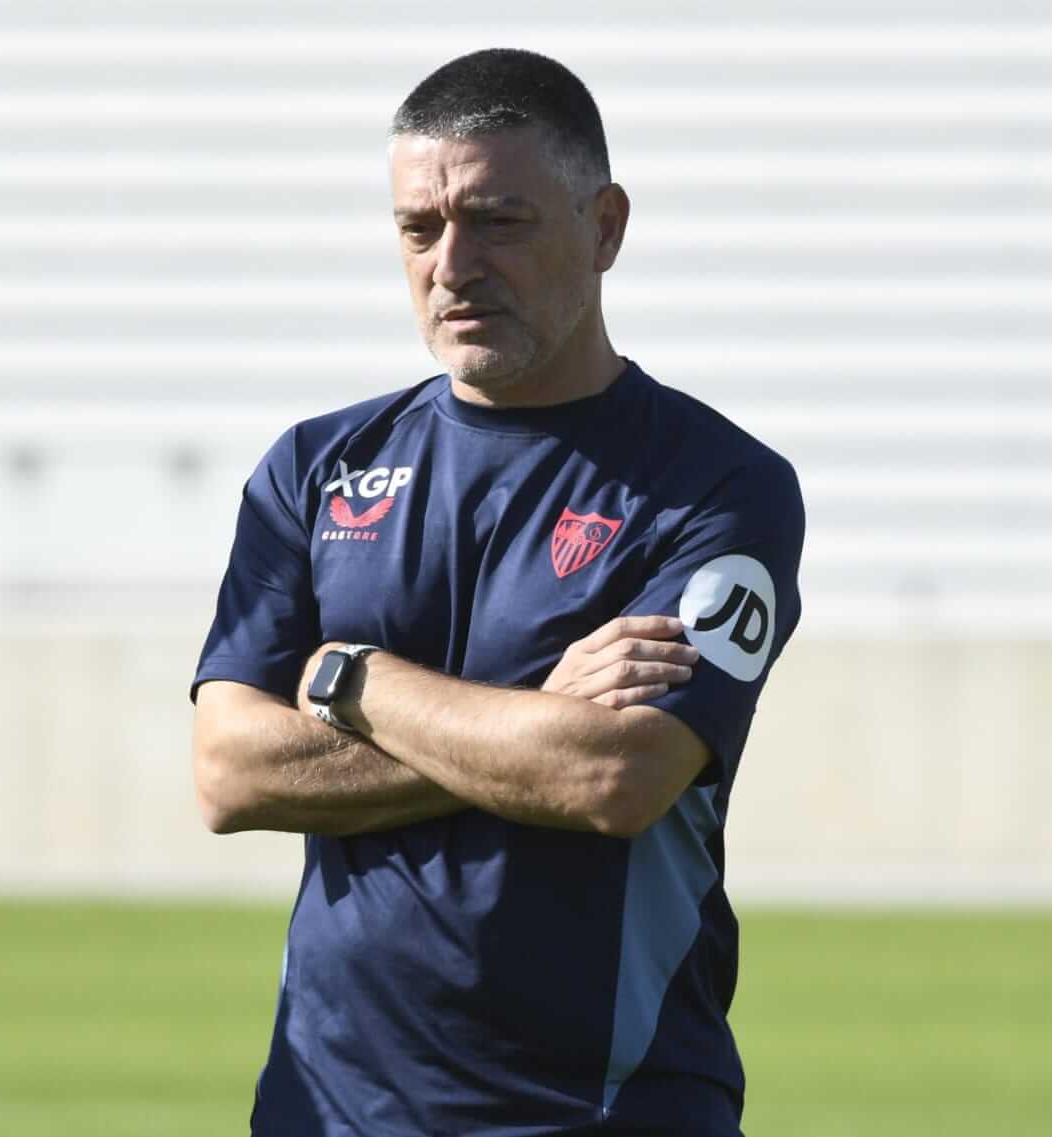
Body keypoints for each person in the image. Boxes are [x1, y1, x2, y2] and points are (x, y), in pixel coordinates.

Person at [190, 47, 804, 1137]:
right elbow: (232, 771)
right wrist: (528, 713)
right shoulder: (316, 468)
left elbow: (613, 775)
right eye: (418, 230)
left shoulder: (718, 486)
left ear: (605, 227)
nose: (452, 266)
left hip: (607, 1108)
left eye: (499, 223)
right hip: (326, 1107)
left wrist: (349, 678)